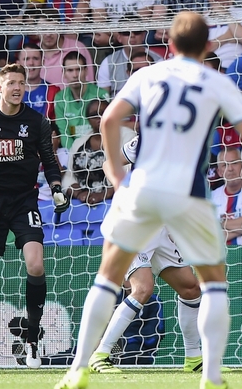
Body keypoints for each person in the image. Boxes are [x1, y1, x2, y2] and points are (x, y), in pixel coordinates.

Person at [55, 11, 242, 389]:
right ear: (207, 46)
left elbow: (107, 122)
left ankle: (78, 370)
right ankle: (212, 377)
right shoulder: (217, 82)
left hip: (144, 193)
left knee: (109, 280)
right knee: (213, 285)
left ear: (168, 44)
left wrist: (117, 175)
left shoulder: (147, 75)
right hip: (189, 195)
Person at [0, 64, 69, 369]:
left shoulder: (36, 121)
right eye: (11, 83)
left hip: (23, 201)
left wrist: (57, 187)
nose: (17, 87)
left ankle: (32, 339)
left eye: (21, 82)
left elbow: (49, 160)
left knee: (35, 263)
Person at [88, 135, 205, 374]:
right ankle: (100, 355)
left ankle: (194, 359)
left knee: (191, 288)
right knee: (142, 288)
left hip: (160, 226)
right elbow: (109, 163)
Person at [16, 43, 62, 119]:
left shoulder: (53, 91)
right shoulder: (10, 91)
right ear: (18, 63)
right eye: (26, 59)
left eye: (35, 58)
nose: (31, 63)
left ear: (42, 62)